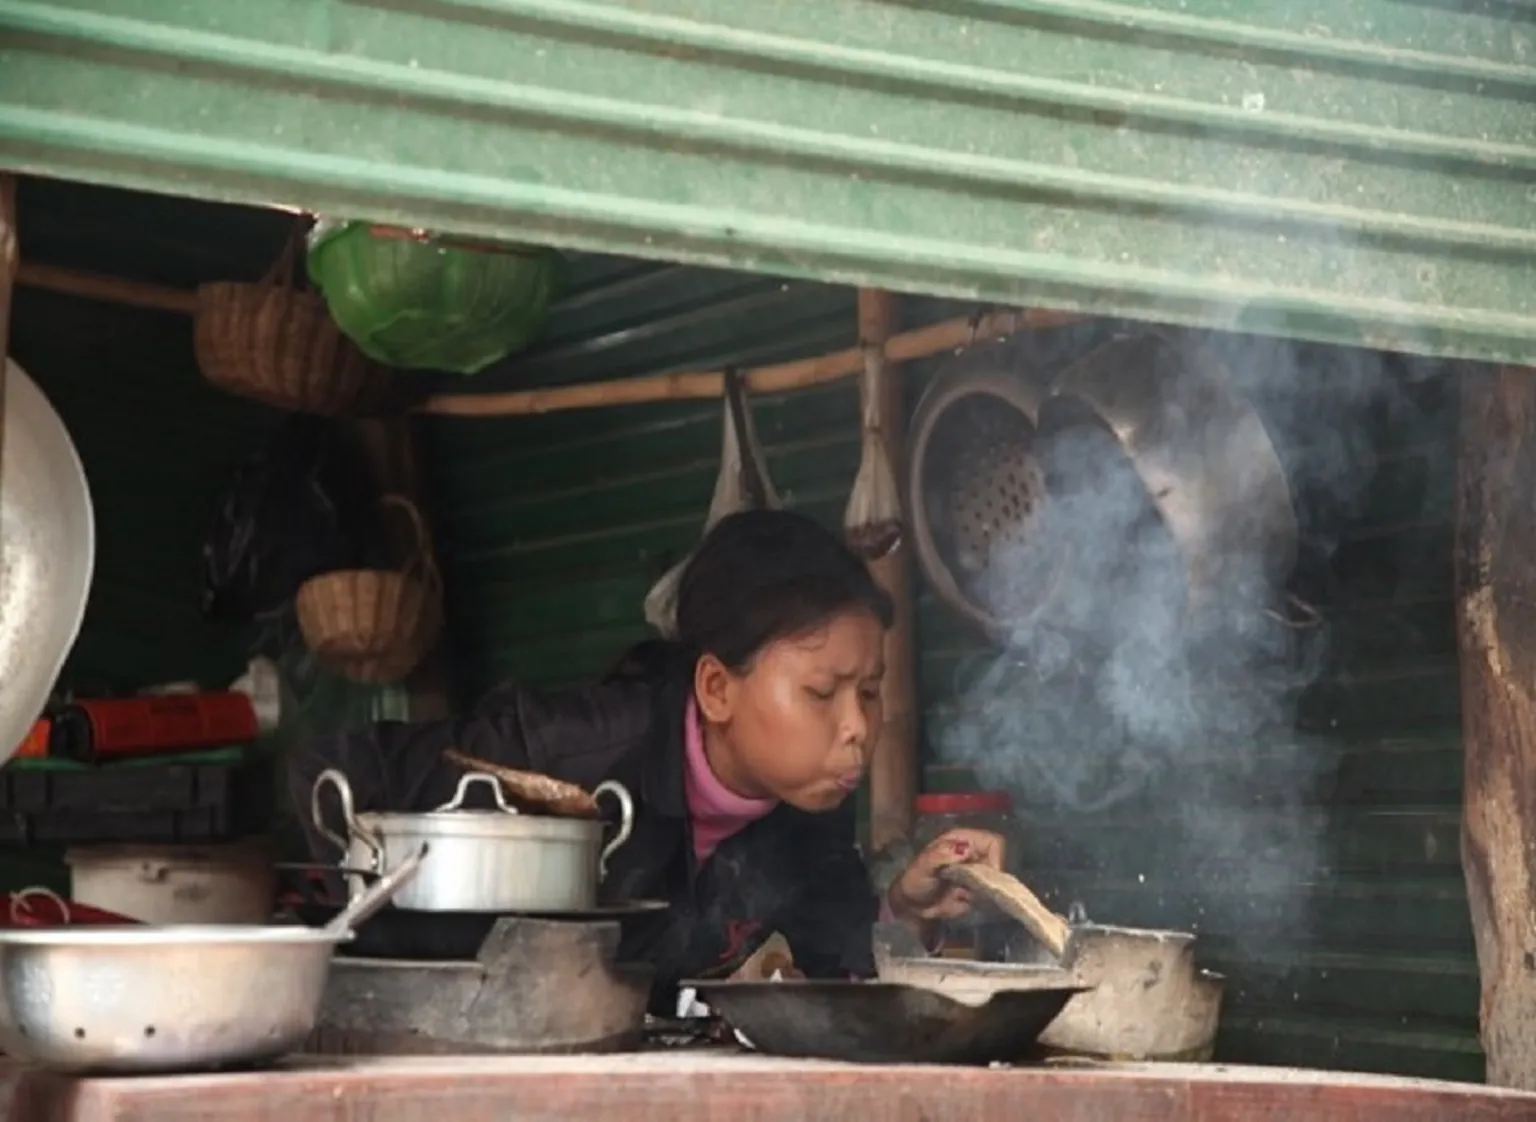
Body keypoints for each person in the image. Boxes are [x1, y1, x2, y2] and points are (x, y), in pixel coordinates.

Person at [291, 509, 1007, 1007]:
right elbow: (327, 777)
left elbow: (835, 961)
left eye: (872, 692)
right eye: (822, 692)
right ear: (718, 688)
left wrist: (907, 907)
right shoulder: (565, 752)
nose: (857, 727)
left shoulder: (805, 800)